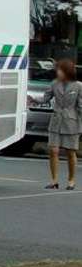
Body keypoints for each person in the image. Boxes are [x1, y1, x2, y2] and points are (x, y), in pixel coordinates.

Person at [28, 59, 82, 190]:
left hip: (72, 122)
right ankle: (54, 181)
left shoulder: (78, 86)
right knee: (53, 150)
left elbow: (80, 106)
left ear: (67, 71)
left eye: (60, 70)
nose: (57, 72)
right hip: (56, 121)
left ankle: (71, 180)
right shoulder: (54, 84)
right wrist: (33, 99)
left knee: (70, 152)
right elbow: (45, 98)